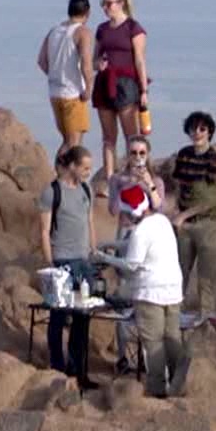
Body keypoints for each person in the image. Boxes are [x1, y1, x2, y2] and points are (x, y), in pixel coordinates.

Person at [94, 184, 185, 398]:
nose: (123, 218)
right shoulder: (161, 221)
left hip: (151, 293)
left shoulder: (140, 231)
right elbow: (140, 246)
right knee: (172, 338)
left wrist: (104, 258)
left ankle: (157, 391)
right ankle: (179, 385)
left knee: (153, 343)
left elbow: (132, 264)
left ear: (131, 211)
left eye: (124, 213)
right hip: (173, 289)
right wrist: (110, 244)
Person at [37, 145, 99, 388]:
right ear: (72, 166)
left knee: (83, 317)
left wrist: (93, 252)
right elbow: (44, 230)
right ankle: (57, 369)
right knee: (58, 317)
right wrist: (50, 262)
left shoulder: (86, 189)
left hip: (83, 262)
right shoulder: (52, 192)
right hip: (62, 260)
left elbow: (90, 221)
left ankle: (78, 371)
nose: (88, 172)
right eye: (84, 168)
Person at [104, 135, 165, 373]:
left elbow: (160, 208)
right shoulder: (117, 179)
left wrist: (147, 185)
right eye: (133, 153)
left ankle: (145, 354)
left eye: (142, 153)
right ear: (127, 155)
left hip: (148, 234)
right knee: (124, 293)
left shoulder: (155, 179)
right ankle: (123, 357)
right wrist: (128, 186)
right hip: (126, 234)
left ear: (147, 155)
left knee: (147, 291)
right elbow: (112, 209)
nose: (138, 157)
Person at [170, 111, 216, 319]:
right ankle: (175, 316)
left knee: (206, 277)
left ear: (209, 131)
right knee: (179, 273)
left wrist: (184, 215)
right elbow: (178, 184)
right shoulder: (184, 154)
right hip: (184, 224)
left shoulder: (215, 159)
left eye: (202, 128)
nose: (197, 132)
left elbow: (213, 199)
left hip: (207, 223)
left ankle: (205, 320)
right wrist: (178, 211)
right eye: (194, 128)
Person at [93, 0, 149, 180]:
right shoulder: (101, 29)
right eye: (103, 4)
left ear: (120, 3)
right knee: (108, 138)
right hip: (104, 83)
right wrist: (97, 64)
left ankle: (134, 175)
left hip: (126, 84)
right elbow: (94, 58)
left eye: (108, 3)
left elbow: (140, 60)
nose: (105, 8)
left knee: (131, 136)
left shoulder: (133, 28)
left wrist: (143, 90)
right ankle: (110, 179)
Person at [38, 0, 94, 159]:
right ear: (87, 12)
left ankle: (63, 176)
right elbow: (85, 64)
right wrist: (89, 87)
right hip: (73, 93)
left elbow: (42, 61)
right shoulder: (83, 32)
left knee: (67, 140)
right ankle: (62, 178)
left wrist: (56, 74)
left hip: (55, 92)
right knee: (74, 143)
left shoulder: (54, 31)